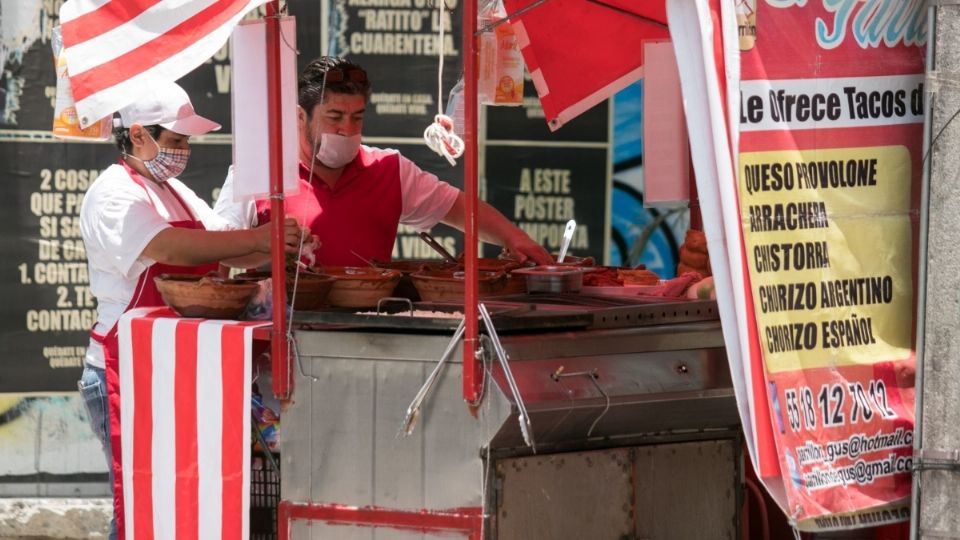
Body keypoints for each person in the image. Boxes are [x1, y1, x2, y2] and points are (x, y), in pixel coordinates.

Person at [77, 81, 304, 540]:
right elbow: (172, 247)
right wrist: (261, 241)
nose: (183, 151)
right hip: (124, 370)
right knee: (139, 506)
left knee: (176, 505)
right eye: (176, 140)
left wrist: (277, 244)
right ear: (138, 135)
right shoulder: (114, 193)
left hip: (172, 367)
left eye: (186, 142)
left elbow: (221, 241)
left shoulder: (175, 190)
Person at [214, 56, 552, 267]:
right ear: (300, 116)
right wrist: (266, 248)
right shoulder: (259, 171)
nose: (347, 129)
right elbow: (218, 248)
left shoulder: (389, 168)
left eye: (357, 117)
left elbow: (459, 208)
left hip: (369, 337)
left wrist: (514, 238)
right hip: (279, 339)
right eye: (334, 117)